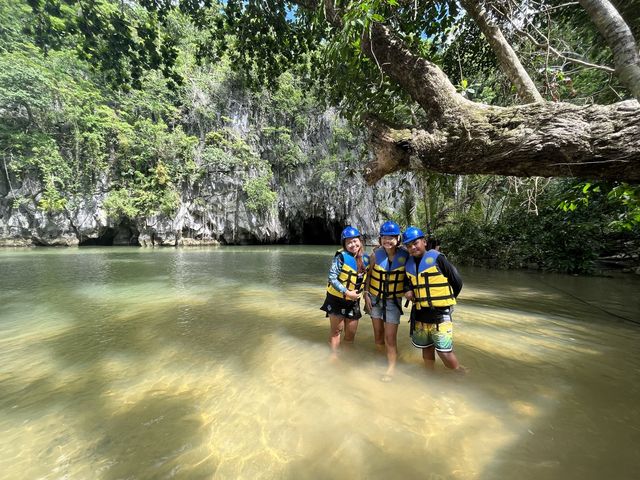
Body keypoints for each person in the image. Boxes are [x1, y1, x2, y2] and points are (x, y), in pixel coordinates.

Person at [402, 226, 465, 372]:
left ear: (424, 242)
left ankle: (459, 375)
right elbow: (407, 282)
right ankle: (429, 375)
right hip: (420, 313)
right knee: (426, 348)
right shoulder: (409, 263)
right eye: (409, 246)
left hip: (440, 312)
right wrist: (408, 291)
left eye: (415, 243)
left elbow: (457, 281)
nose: (413, 247)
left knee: (444, 351)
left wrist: (447, 300)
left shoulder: (438, 258)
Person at [364, 220, 409, 381]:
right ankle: (380, 359)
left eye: (391, 237)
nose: (387, 241)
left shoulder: (406, 255)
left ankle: (390, 368)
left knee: (390, 338)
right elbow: (368, 276)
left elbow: (411, 276)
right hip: (375, 299)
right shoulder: (375, 255)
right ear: (380, 239)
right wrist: (365, 294)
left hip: (393, 301)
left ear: (398, 239)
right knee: (378, 334)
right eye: (384, 237)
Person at [320, 226, 370, 358]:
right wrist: (347, 292)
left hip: (353, 301)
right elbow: (332, 277)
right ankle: (334, 356)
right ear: (344, 244)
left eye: (355, 241)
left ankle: (347, 358)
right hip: (337, 299)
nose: (353, 245)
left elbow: (367, 280)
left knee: (350, 335)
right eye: (349, 242)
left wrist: (366, 296)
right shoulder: (340, 257)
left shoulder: (366, 258)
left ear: (360, 241)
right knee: (336, 331)